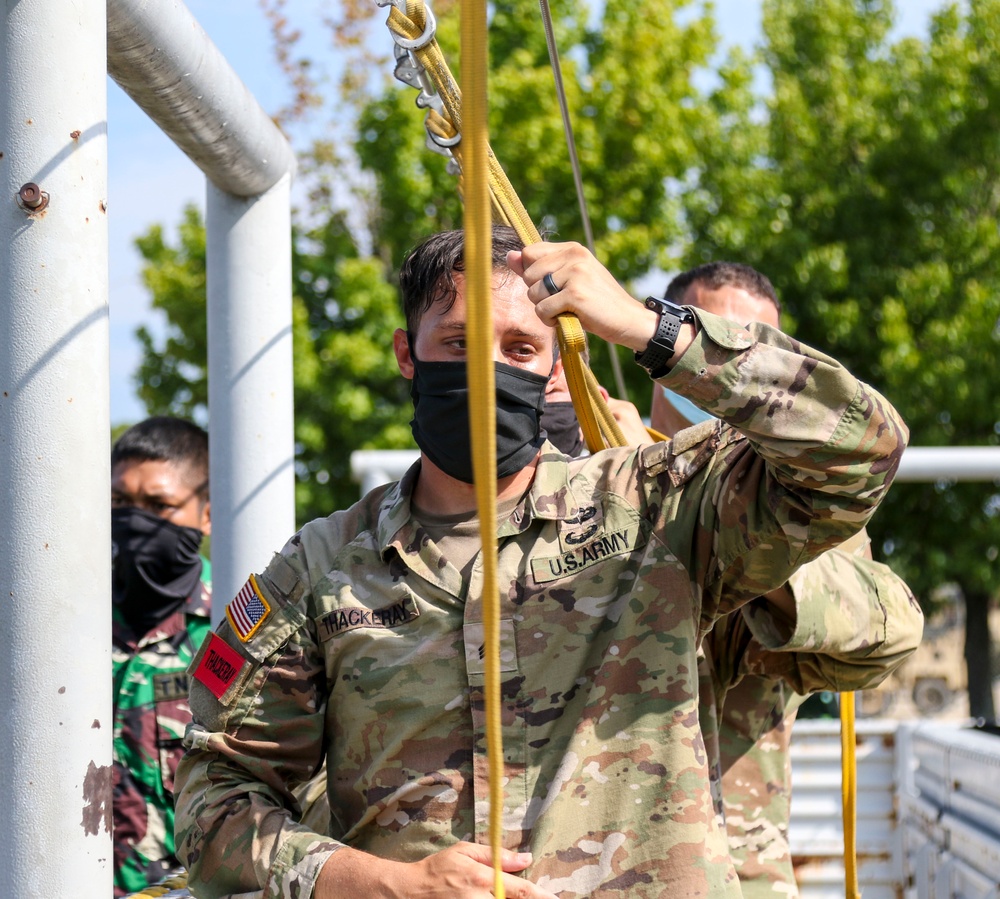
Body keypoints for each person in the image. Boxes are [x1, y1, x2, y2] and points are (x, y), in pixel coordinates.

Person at [174, 226, 908, 899]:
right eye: (459, 343)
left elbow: (860, 448)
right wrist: (375, 879)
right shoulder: (324, 566)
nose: (492, 369)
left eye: (521, 348)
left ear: (556, 366)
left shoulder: (656, 504)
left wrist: (650, 329)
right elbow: (214, 793)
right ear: (407, 354)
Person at [649, 262, 922, 897]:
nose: (728, 363)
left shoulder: (795, 511)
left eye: (752, 348)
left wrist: (756, 557)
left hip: (744, 873)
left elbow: (887, 632)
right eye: (716, 334)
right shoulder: (593, 480)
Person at [111, 416, 212, 898]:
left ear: (206, 515)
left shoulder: (238, 634)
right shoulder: (49, 630)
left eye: (158, 506)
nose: (134, 521)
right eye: (119, 503)